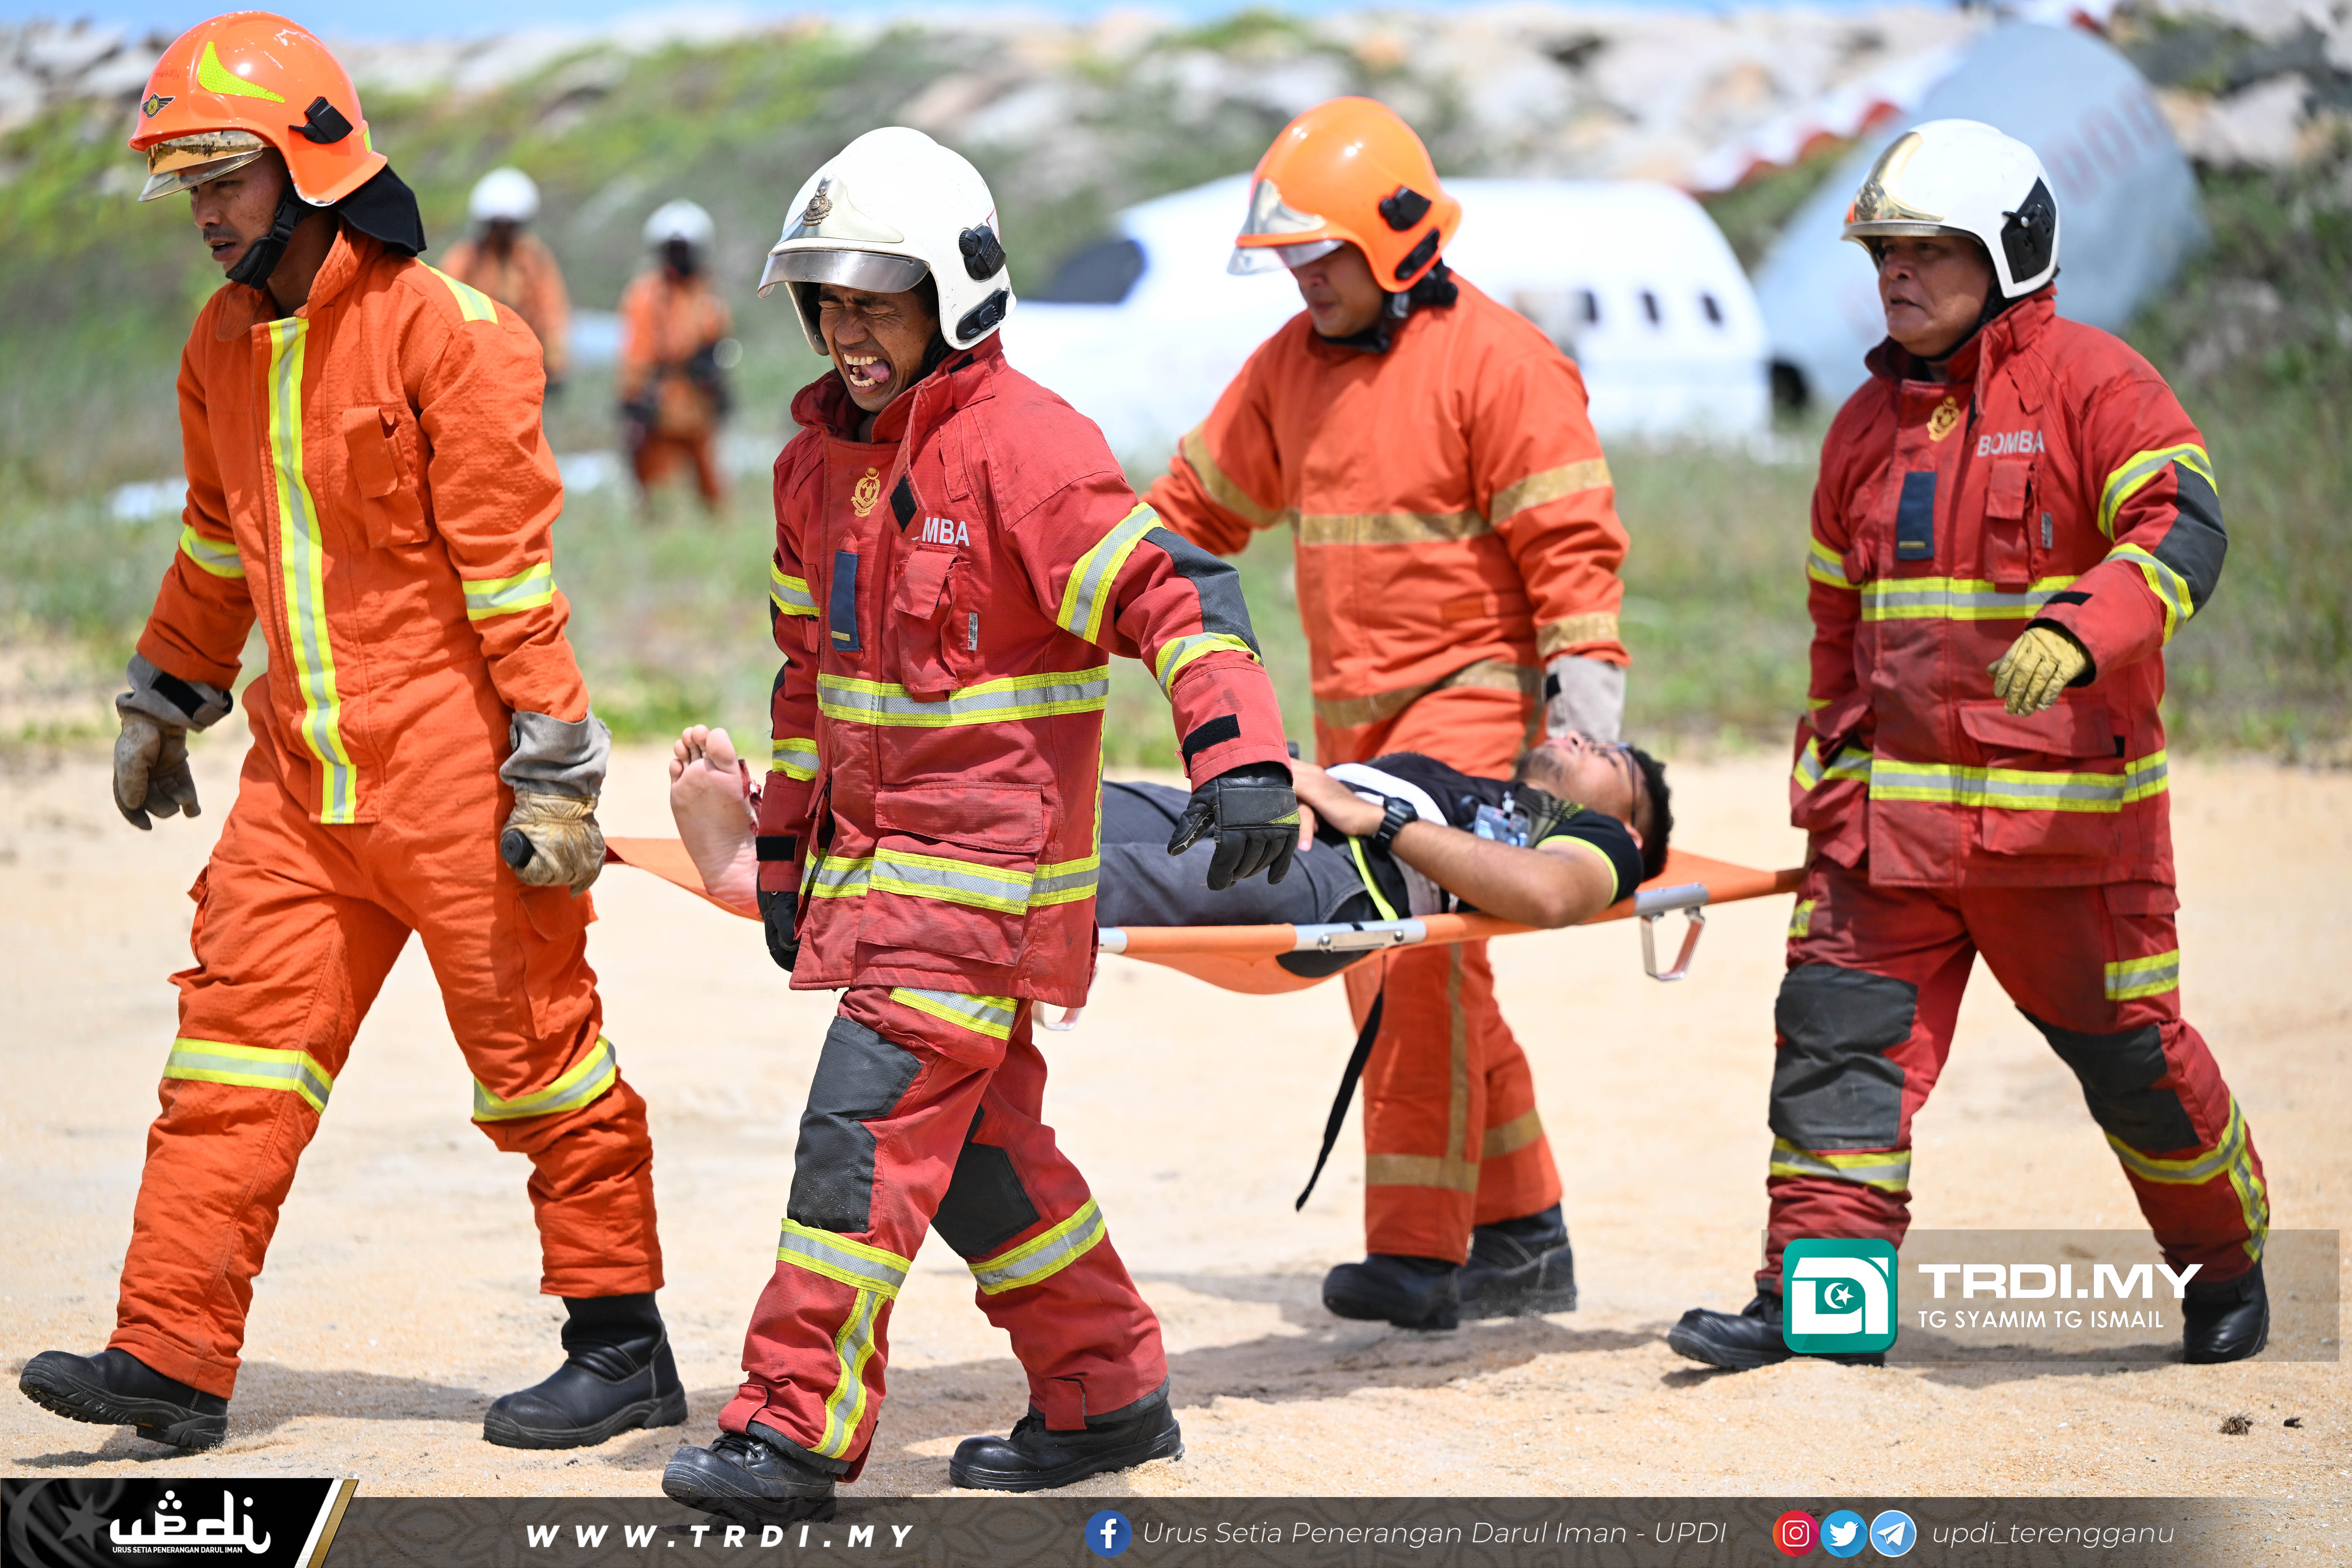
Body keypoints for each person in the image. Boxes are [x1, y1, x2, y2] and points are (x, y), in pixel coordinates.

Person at [14, 13, 679, 1454]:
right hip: (301, 783)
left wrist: (556, 772)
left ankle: (620, 1346)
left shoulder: (451, 333)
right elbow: (216, 542)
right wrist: (165, 692)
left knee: (539, 1059)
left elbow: (510, 574)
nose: (204, 212)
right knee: (229, 1063)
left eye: (225, 177)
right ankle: (168, 1356)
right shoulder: (220, 345)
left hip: (453, 773)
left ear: (313, 162)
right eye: (188, 185)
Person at [658, 127, 1299, 1524]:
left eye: (876, 304)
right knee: (982, 1165)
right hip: (881, 881)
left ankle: (790, 1429)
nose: (848, 335)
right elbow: (806, 687)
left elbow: (1174, 593)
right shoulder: (810, 470)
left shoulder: (1024, 445)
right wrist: (785, 852)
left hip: (985, 887)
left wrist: (1241, 751)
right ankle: (1106, 1390)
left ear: (952, 296)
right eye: (828, 305)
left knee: (859, 1140)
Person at [1668, 120, 2268, 1372]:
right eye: (1884, 251)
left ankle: (2224, 1267)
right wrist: (1831, 791)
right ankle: (1822, 1313)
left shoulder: (2100, 385)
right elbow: (1838, 633)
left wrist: (2085, 626)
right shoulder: (1858, 427)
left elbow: (2183, 530)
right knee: (1835, 1066)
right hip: (1885, 845)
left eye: (1927, 250)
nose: (1895, 272)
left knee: (2140, 1073)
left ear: (2007, 253)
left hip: (2064, 844)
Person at [1143, 98, 1633, 1331]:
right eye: (1291, 260)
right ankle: (1522, 1235)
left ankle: (1418, 1250)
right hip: (1358, 734)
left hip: (1473, 721)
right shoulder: (1288, 371)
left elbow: (1575, 564)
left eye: (1322, 256)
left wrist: (1585, 744)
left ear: (1398, 239)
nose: (1303, 279)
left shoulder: (1502, 365)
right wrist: (1074, 581)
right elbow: (1185, 516)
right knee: (1446, 967)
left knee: (1401, 960)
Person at [664, 727, 1667, 960]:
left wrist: (1376, 817)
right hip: (1282, 812)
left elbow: (1550, 898)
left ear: (1630, 821)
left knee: (1072, 879)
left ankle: (766, 879)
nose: (1586, 738)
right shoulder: (1483, 784)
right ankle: (798, 842)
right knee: (1039, 809)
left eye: (1612, 757)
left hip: (1344, 879)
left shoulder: (1589, 838)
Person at [619, 199, 732, 514]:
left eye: (685, 250)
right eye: (674, 250)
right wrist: (634, 400)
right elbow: (637, 353)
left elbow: (721, 341)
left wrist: (719, 381)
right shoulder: (646, 294)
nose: (680, 257)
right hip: (660, 408)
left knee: (713, 492)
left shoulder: (708, 292)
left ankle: (715, 534)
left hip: (699, 405)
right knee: (658, 492)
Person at [442, 166, 572, 391]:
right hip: (471, 366)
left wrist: (555, 364)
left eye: (510, 226)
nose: (503, 233)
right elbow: (443, 308)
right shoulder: (465, 259)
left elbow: (551, 311)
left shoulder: (535, 260)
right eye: (497, 226)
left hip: (522, 367)